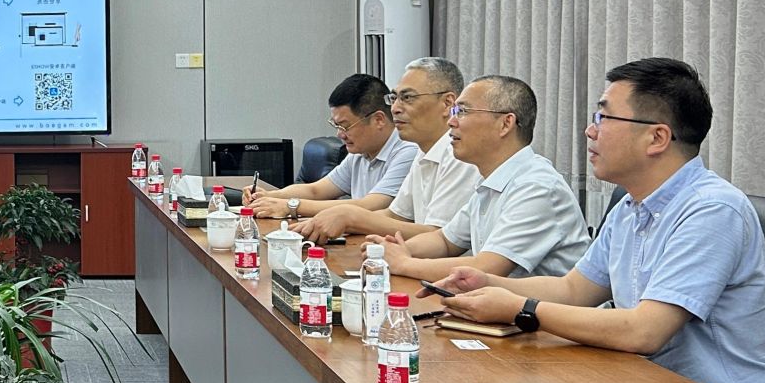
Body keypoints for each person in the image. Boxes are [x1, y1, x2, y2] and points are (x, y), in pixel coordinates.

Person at [439, 59, 765, 383]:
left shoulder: (712, 209)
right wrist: (488, 283)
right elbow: (574, 290)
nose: (590, 131)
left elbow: (644, 331)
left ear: (657, 137)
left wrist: (521, 309)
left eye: (604, 118)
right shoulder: (631, 206)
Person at [369, 74, 588, 281]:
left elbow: (486, 268)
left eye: (462, 111)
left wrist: (404, 263)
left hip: (544, 309)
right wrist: (397, 250)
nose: (451, 121)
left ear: (505, 124)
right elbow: (445, 241)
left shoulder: (536, 187)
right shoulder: (491, 180)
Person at [294, 57, 480, 243]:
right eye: (394, 98)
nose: (395, 108)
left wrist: (350, 217)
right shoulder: (424, 151)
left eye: (407, 98)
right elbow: (396, 215)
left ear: (447, 103)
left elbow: (440, 236)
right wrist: (331, 218)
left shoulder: (461, 156)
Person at [247, 73, 416, 220]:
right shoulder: (360, 153)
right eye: (336, 126)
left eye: (345, 126)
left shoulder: (408, 152)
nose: (340, 134)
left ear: (378, 120)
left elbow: (370, 205)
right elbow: (316, 190)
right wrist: (268, 196)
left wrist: (291, 206)